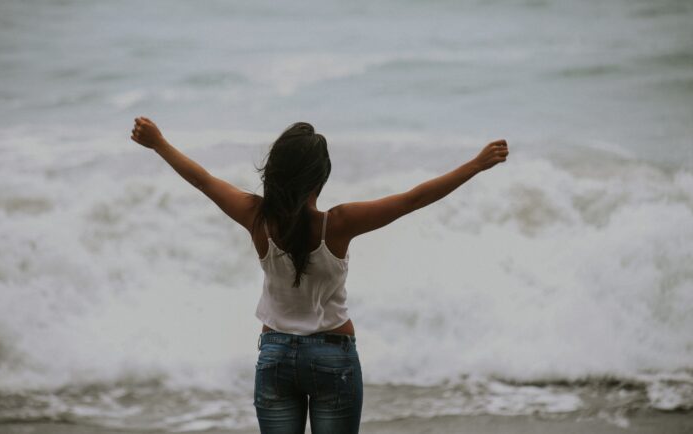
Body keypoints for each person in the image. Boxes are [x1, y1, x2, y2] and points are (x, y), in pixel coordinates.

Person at [130, 117, 509, 434]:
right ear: (321, 178)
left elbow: (202, 180)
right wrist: (475, 165)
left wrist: (159, 143)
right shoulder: (339, 223)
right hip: (332, 358)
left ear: (274, 174)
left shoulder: (256, 217)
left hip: (275, 356)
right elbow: (412, 200)